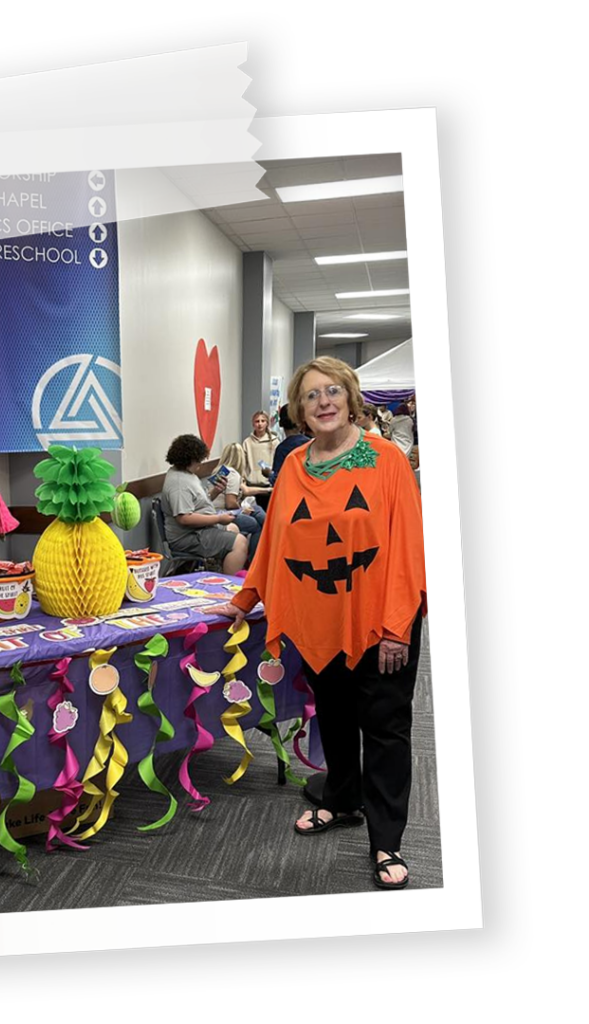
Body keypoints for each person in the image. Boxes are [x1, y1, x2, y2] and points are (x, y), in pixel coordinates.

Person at [209, 356, 427, 890]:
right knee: (333, 716)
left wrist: (399, 624)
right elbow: (277, 542)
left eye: (333, 391)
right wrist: (246, 597)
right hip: (319, 619)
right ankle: (342, 800)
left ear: (352, 399)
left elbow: (407, 546)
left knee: (383, 729)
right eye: (311, 396)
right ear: (300, 412)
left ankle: (386, 839)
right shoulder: (295, 467)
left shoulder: (386, 461)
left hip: (380, 621)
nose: (324, 402)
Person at [160, 434, 248, 575]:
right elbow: (184, 518)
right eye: (199, 461)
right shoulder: (179, 484)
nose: (200, 465)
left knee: (233, 528)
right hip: (188, 537)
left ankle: (219, 571)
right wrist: (218, 519)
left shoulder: (186, 474)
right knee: (241, 543)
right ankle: (227, 586)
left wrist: (215, 491)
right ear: (190, 459)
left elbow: (197, 503)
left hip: (199, 530)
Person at [206, 442, 266, 562]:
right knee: (256, 525)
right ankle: (252, 561)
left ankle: (269, 524)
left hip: (212, 511)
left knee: (257, 510)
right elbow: (230, 503)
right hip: (222, 514)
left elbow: (245, 490)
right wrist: (242, 510)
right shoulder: (233, 474)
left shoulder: (218, 470)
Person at [268, 404, 310, 487]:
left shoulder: (282, 449)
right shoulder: (311, 444)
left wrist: (269, 474)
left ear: (280, 423)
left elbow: (278, 480)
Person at [242, 410, 279, 487]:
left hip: (269, 484)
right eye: (257, 421)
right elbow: (243, 464)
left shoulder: (274, 441)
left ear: (267, 423)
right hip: (251, 484)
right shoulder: (247, 442)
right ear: (253, 424)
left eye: (263, 421)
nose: (260, 424)